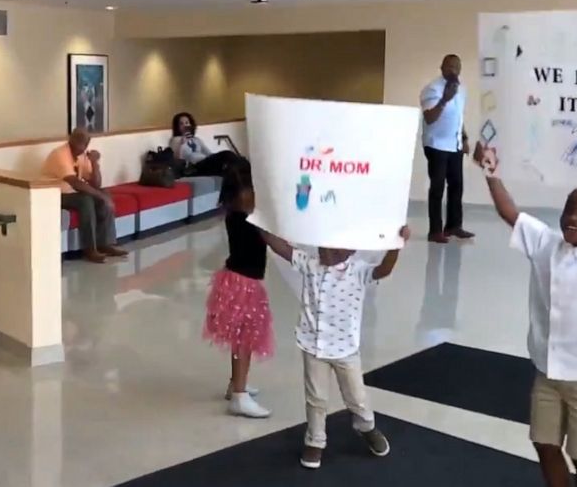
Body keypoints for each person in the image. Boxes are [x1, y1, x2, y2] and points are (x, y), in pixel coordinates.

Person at [476, 143, 577, 487]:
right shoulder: (546, 244)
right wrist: (491, 173)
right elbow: (509, 212)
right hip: (547, 371)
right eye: (570, 210)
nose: (574, 218)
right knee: (544, 444)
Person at [263, 225, 410, 469]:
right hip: (313, 345)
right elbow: (282, 248)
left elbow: (384, 269)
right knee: (316, 398)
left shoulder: (358, 271)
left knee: (357, 397)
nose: (324, 251)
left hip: (345, 350)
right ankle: (315, 440)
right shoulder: (310, 264)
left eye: (332, 248)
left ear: (349, 251)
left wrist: (396, 246)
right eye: (322, 245)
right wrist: (261, 221)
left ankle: (366, 426)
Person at [202, 158, 274, 418]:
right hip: (243, 283)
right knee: (244, 340)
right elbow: (274, 240)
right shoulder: (250, 217)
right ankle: (240, 395)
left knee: (242, 338)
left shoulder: (236, 211)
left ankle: (236, 385)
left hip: (239, 280)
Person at [43, 127, 127, 263]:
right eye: (77, 141)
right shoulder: (60, 154)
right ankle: (90, 249)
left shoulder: (82, 155)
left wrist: (95, 163)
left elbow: (96, 184)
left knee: (104, 192)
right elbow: (76, 183)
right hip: (54, 194)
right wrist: (100, 196)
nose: (80, 145)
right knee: (86, 200)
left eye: (84, 143)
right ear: (71, 139)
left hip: (73, 194)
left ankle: (106, 244)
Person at [420, 54, 475, 243]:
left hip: (455, 144)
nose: (453, 70)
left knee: (456, 185)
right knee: (437, 187)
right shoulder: (431, 89)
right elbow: (429, 118)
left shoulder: (462, 90)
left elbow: (459, 117)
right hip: (436, 145)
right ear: (441, 67)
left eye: (456, 67)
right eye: (449, 66)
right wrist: (444, 99)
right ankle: (434, 231)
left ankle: (453, 226)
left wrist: (465, 138)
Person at [170, 112, 240, 177]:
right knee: (227, 154)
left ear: (191, 124)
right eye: (181, 123)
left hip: (205, 163)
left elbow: (209, 154)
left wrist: (217, 158)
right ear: (177, 127)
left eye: (187, 123)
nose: (185, 125)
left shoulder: (197, 139)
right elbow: (175, 159)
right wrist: (181, 144)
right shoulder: (175, 140)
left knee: (228, 163)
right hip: (194, 166)